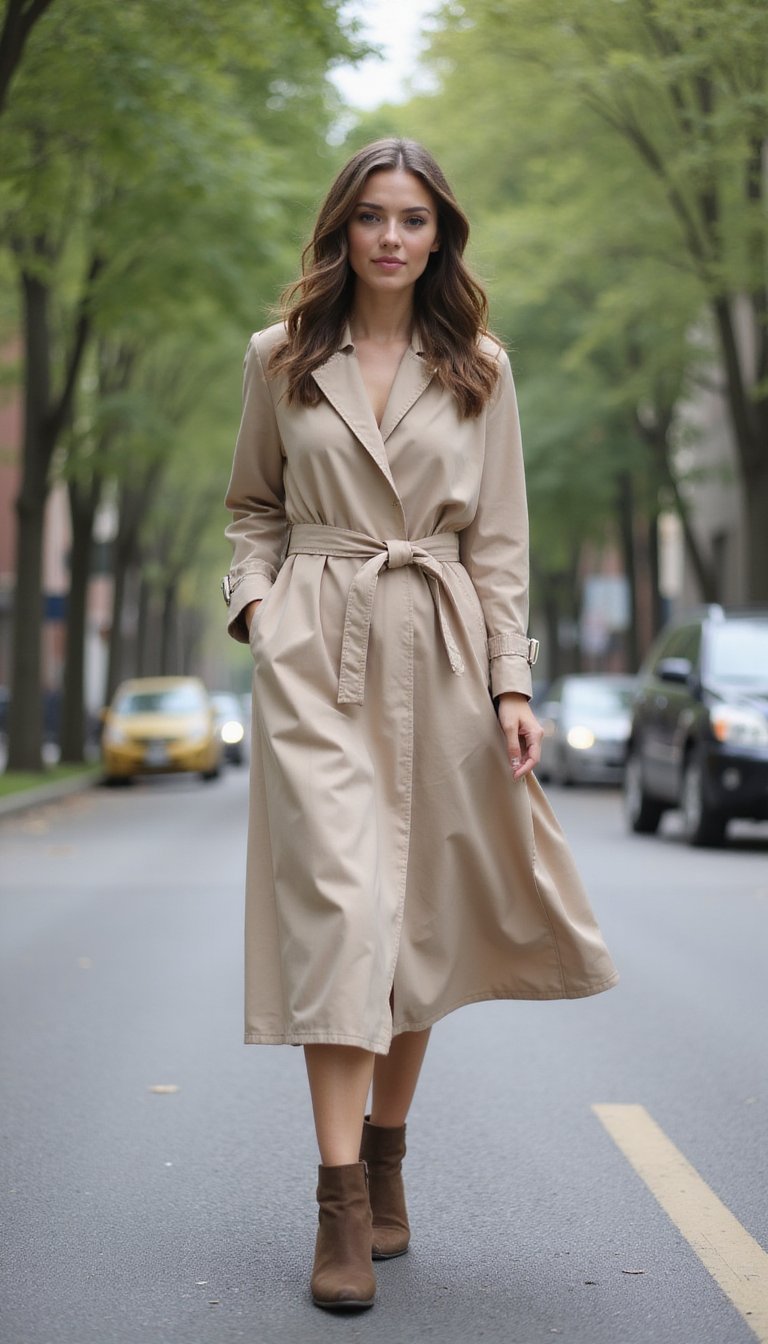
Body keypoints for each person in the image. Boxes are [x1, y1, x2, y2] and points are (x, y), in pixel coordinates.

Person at [223, 138, 618, 1312]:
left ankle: (389, 1154)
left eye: (413, 219)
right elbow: (251, 506)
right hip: (318, 657)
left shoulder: (480, 368)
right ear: (341, 231)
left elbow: (499, 542)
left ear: (440, 234)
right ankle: (340, 1201)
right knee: (343, 913)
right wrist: (262, 607)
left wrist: (513, 685)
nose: (391, 237)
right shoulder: (280, 358)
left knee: (418, 926)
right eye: (371, 217)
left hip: (443, 656)